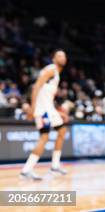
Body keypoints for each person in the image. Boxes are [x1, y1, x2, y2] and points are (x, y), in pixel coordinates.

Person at [20, 50, 68, 180]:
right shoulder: (51, 70)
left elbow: (46, 96)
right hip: (42, 110)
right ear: (53, 59)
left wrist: (58, 112)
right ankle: (26, 170)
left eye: (64, 56)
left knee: (62, 130)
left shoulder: (56, 73)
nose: (62, 58)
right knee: (44, 137)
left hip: (49, 109)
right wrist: (32, 107)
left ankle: (55, 166)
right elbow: (36, 87)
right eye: (59, 56)